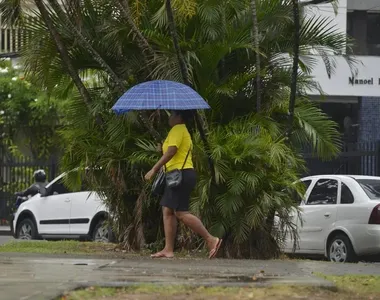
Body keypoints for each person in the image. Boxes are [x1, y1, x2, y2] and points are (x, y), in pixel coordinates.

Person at [145, 110, 222, 259]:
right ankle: (168, 249)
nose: (169, 117)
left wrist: (153, 169)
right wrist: (162, 149)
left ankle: (211, 239)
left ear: (179, 117)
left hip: (180, 175)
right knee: (167, 211)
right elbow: (172, 151)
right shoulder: (181, 131)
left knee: (181, 213)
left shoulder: (178, 129)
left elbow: (172, 152)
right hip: (177, 175)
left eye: (172, 114)